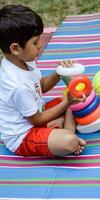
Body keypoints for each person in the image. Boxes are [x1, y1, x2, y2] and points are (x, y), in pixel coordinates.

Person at [0, 4, 87, 157]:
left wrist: (59, 72)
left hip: (38, 112)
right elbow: (37, 121)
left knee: (76, 99)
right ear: (15, 48)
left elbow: (39, 87)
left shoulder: (24, 59)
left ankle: (59, 127)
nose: (40, 46)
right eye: (35, 42)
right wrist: (67, 103)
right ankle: (67, 134)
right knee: (69, 140)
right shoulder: (16, 85)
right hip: (24, 135)